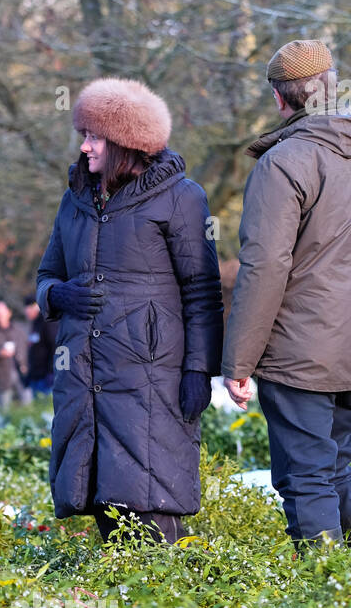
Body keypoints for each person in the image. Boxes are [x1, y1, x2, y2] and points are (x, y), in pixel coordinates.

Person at [221, 40, 351, 549]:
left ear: (279, 98)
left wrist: (239, 362)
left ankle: (325, 591)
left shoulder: (284, 162)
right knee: (334, 465)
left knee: (305, 474)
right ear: (334, 86)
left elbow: (265, 267)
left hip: (300, 351)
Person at [37, 76, 224, 545]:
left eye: (93, 136)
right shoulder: (74, 201)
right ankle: (128, 604)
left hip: (152, 379)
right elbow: (46, 276)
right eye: (84, 135)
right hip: (85, 374)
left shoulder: (182, 197)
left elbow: (202, 291)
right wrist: (59, 296)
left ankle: (166, 606)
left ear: (124, 142)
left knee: (151, 506)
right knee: (102, 498)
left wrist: (200, 370)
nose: (84, 147)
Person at [22, 295, 58, 395]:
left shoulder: (47, 322)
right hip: (36, 377)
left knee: (46, 409)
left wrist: (52, 372)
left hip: (46, 378)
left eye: (28, 308)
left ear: (35, 307)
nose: (26, 312)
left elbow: (55, 346)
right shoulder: (34, 324)